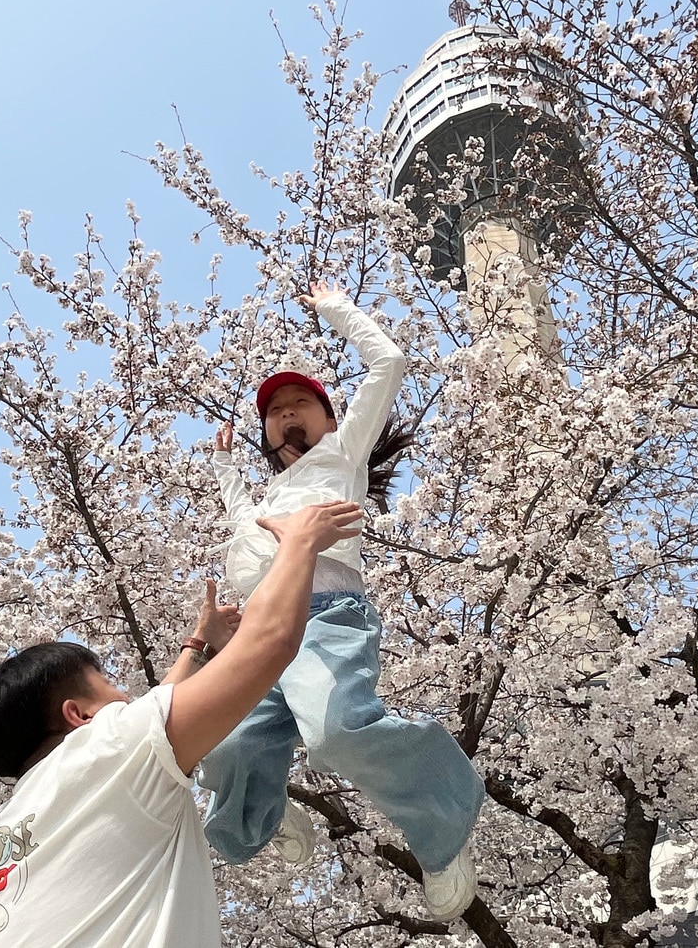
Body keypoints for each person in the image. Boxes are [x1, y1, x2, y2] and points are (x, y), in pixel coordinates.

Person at [202, 282, 485, 922]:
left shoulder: (341, 454)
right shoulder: (268, 497)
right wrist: (223, 469)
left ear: (330, 420)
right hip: (255, 632)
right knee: (219, 745)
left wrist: (334, 308)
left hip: (323, 619)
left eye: (301, 404)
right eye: (275, 413)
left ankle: (442, 830)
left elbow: (387, 362)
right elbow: (238, 518)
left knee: (336, 733)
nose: (286, 414)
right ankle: (263, 813)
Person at [0, 500, 364, 948]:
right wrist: (300, 542)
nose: (124, 697)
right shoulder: (105, 751)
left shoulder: (5, 827)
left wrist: (199, 645)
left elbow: (152, 718)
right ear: (79, 715)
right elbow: (269, 642)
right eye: (110, 686)